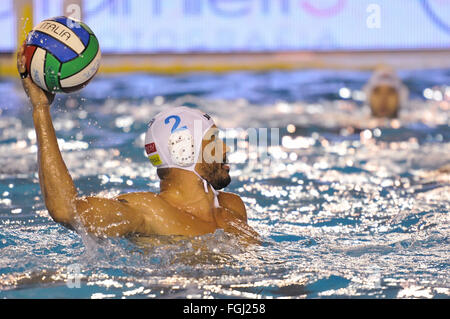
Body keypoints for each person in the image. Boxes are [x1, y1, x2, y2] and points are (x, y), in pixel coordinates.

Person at [16, 43, 260, 244]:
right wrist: (41, 109)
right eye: (214, 141)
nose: (226, 149)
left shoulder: (233, 207)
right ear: (185, 149)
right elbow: (67, 211)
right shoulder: (147, 212)